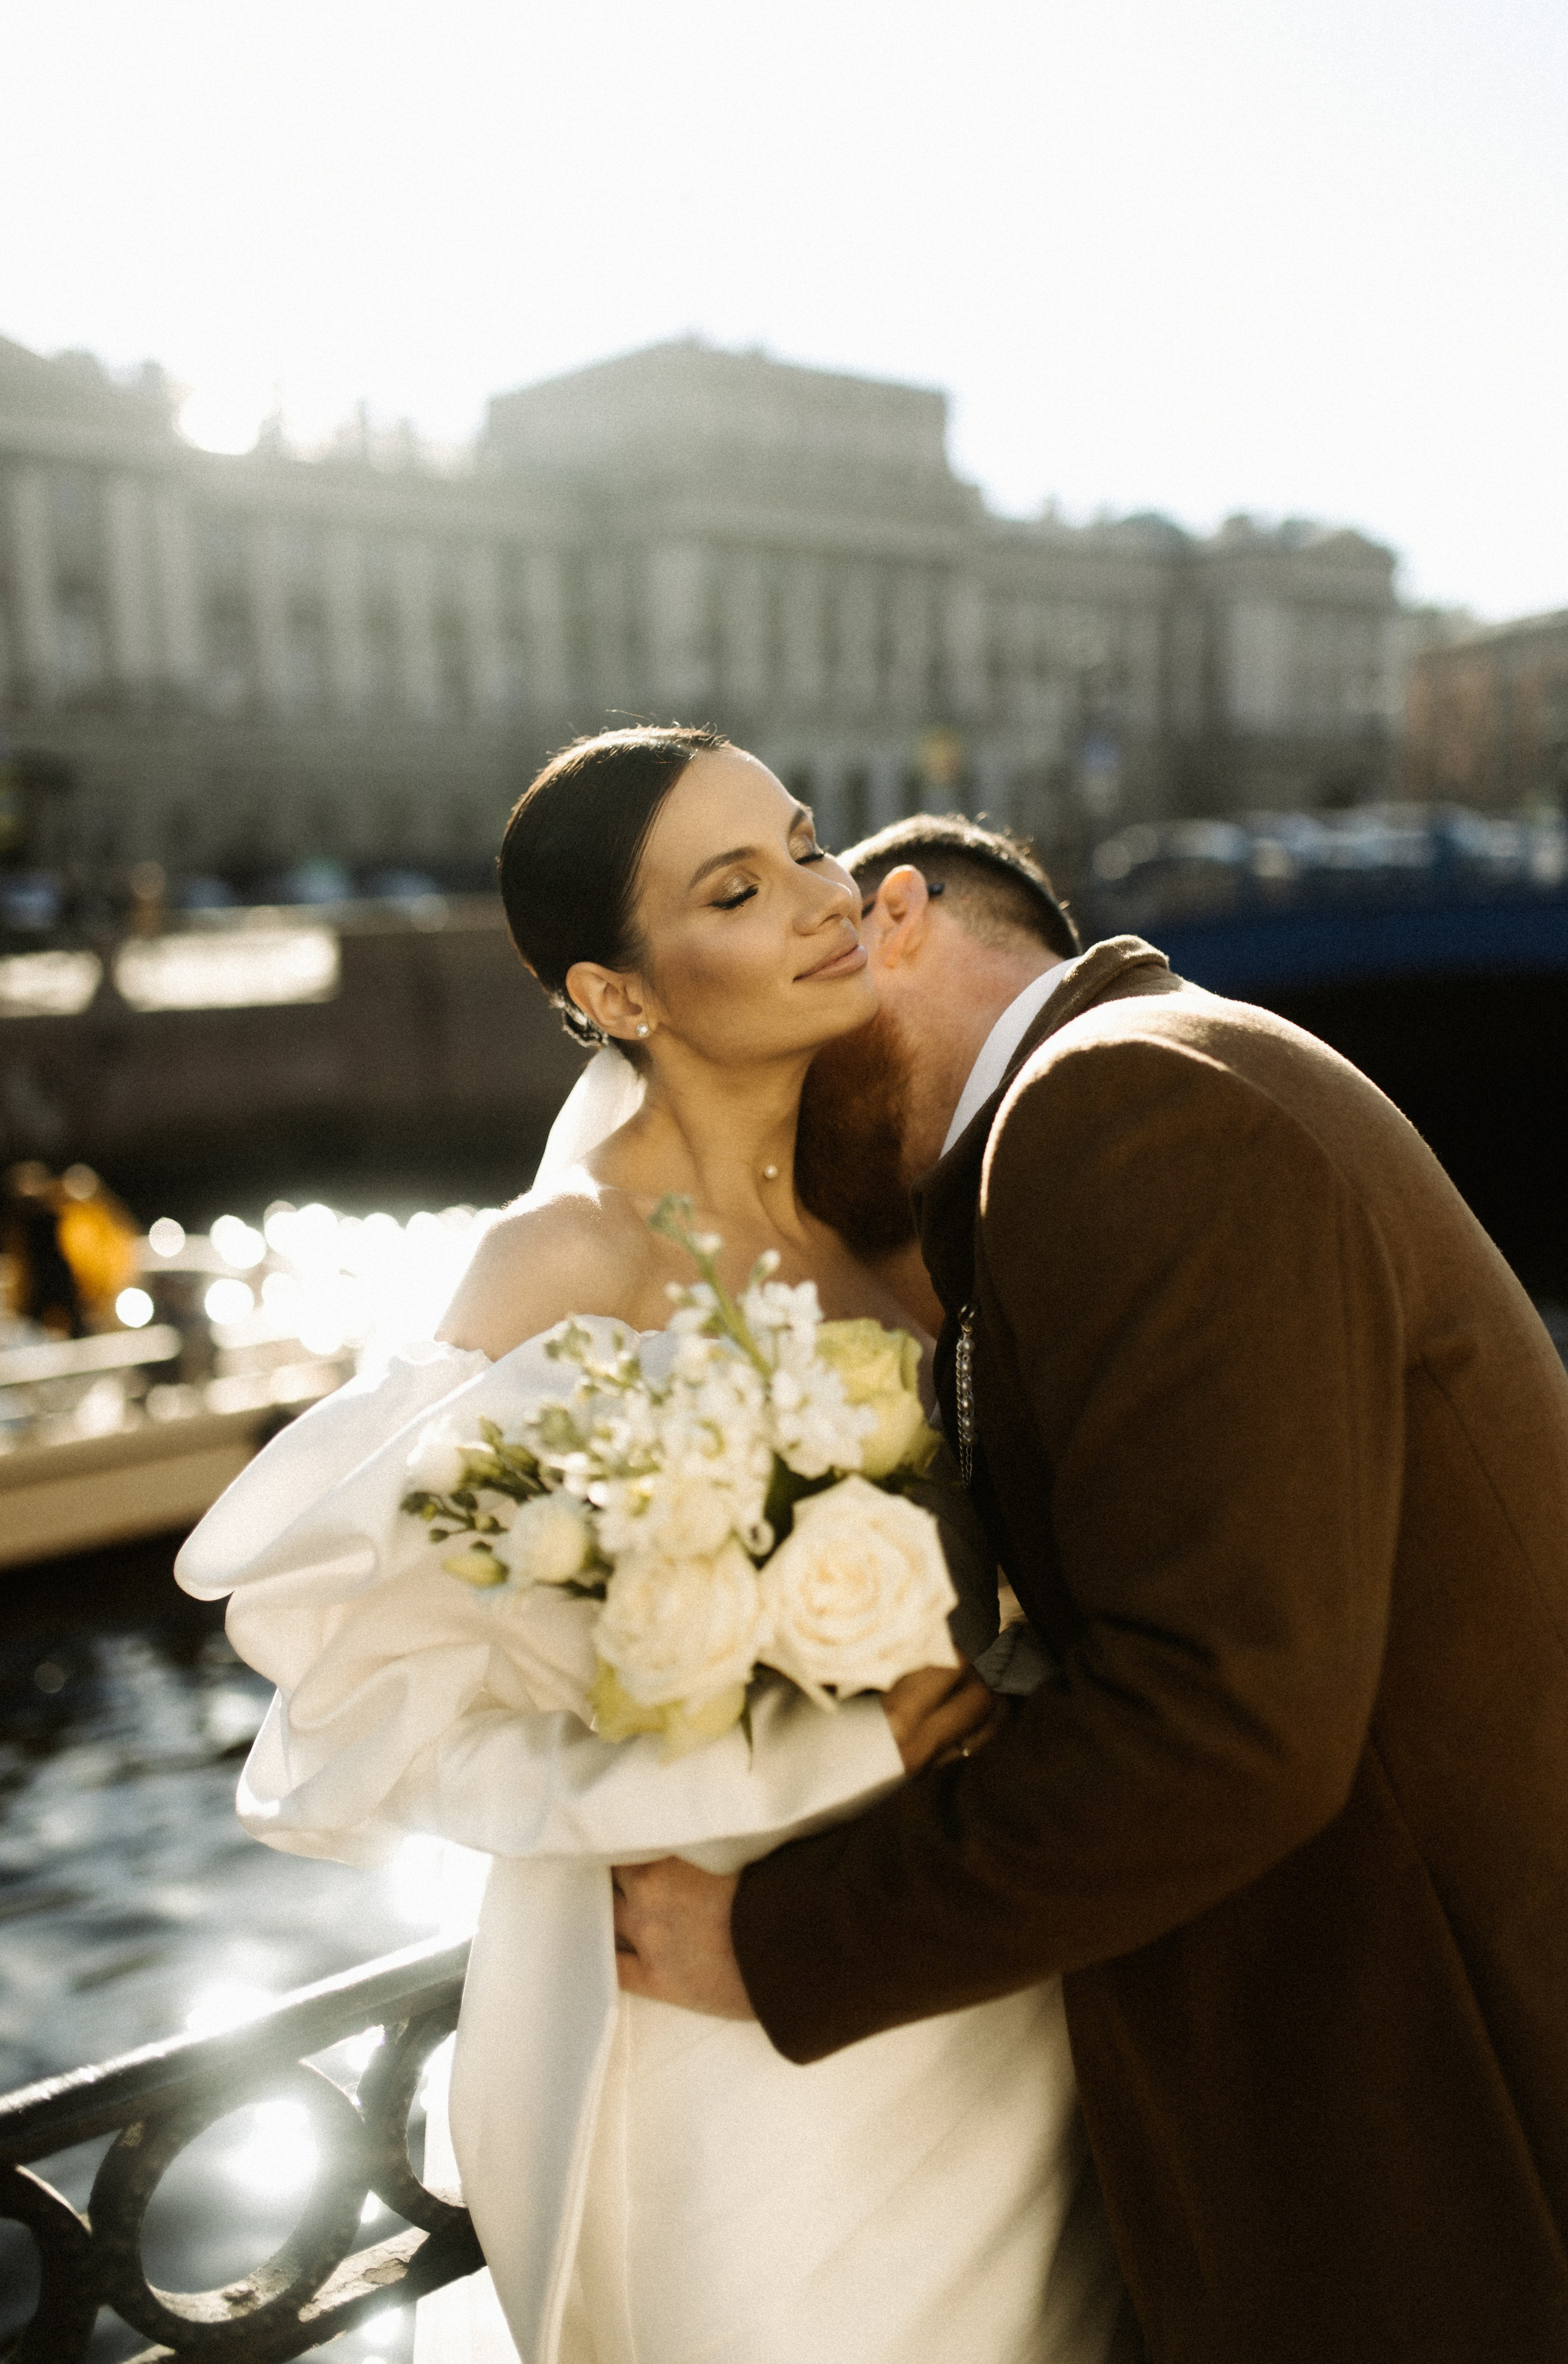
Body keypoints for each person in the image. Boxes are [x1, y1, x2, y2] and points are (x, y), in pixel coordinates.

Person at [177, 732, 1136, 2364]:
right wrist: (783, 1751)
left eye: (807, 845)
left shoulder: (906, 1222)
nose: (826, 899)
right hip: (732, 2031)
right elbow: (369, 1679)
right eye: (737, 891)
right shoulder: (559, 1260)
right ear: (616, 994)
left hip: (974, 1982)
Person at [614, 812, 1568, 2363]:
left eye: (781, 1050)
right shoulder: (1140, 1090)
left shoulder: (1120, 1100)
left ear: (893, 919)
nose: (761, 1106)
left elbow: (1227, 1721)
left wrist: (776, 1942)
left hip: (1454, 2154)